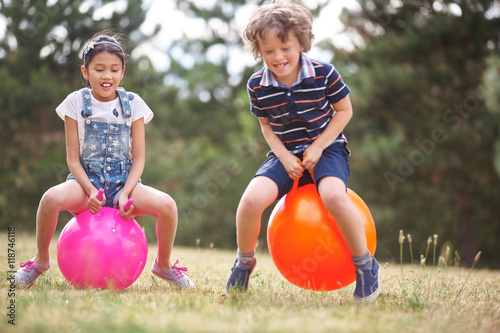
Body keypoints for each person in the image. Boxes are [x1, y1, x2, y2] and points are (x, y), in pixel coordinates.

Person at [13, 30, 195, 289]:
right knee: (50, 199)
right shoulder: (75, 102)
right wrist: (89, 191)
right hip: (86, 182)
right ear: (85, 72)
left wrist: (126, 193)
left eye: (114, 69)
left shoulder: (134, 104)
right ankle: (40, 261)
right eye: (99, 69)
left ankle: (163, 265)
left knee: (168, 205)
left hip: (125, 184)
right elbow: (73, 159)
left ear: (123, 72)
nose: (106, 75)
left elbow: (140, 158)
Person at [226, 0, 379, 302]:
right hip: (284, 153)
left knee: (334, 197)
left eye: (285, 48)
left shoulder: (324, 73)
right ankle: (245, 262)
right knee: (249, 201)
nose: (278, 57)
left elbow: (344, 111)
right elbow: (266, 127)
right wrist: (284, 157)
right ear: (258, 50)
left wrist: (319, 147)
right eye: (268, 51)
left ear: (301, 42)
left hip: (329, 148)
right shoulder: (257, 84)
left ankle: (365, 265)